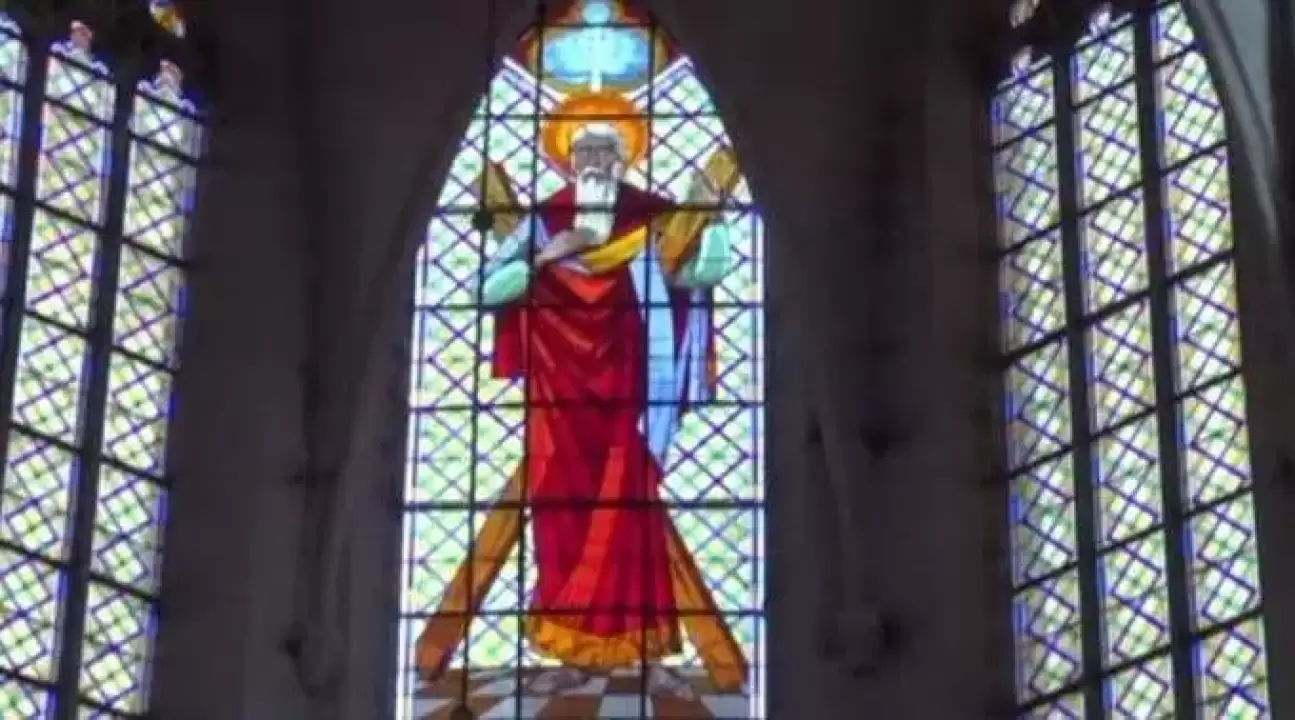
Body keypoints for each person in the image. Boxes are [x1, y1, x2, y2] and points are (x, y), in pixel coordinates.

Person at [476, 121, 733, 697]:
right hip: (558, 399)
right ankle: (570, 652)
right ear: (568, 161)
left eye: (605, 152)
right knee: (560, 518)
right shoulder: (542, 222)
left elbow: (700, 275)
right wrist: (545, 257)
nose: (594, 161)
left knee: (631, 517)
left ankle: (649, 650)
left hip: (629, 395)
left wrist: (714, 227)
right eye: (584, 152)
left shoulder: (655, 219)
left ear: (625, 159)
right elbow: (488, 289)